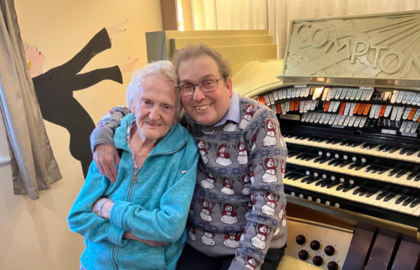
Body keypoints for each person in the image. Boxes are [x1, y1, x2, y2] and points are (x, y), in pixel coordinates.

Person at [91, 43, 288, 270]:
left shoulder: (260, 121)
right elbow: (131, 110)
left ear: (228, 84)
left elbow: (268, 202)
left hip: (253, 242)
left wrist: (244, 264)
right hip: (199, 242)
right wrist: (102, 135)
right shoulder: (184, 115)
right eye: (187, 86)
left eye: (208, 83)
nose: (197, 95)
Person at [68, 61, 198, 270]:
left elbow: (169, 228)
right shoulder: (111, 146)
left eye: (166, 107)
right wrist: (128, 233)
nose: (154, 115)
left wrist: (108, 208)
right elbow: (78, 217)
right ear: (133, 104)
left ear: (176, 114)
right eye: (147, 102)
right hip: (95, 265)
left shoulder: (184, 152)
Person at [25, 20, 138, 177]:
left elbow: (78, 79)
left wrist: (115, 69)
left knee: (96, 184)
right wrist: (107, 34)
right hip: (85, 142)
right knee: (98, 184)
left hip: (83, 141)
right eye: (27, 47)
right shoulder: (46, 82)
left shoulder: (41, 86)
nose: (35, 46)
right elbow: (77, 63)